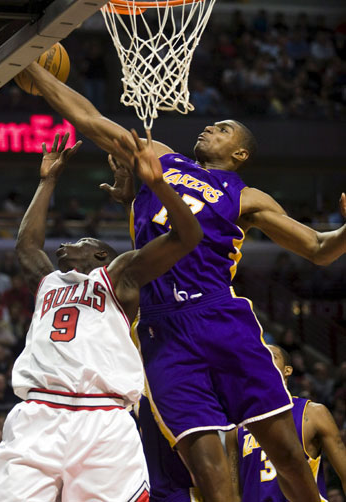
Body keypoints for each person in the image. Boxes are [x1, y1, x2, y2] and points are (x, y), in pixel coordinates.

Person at [23, 61, 346, 502]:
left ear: (240, 154)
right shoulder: (160, 158)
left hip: (218, 314)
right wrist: (34, 69)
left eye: (224, 129)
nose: (210, 127)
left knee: (287, 453)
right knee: (208, 470)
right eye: (213, 124)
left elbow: (319, 247)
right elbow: (89, 117)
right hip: (162, 328)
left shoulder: (247, 197)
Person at [0, 131, 202, 502]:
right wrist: (47, 181)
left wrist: (155, 186)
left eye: (78, 242)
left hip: (102, 416)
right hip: (38, 414)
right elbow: (26, 246)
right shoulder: (49, 281)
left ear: (101, 255)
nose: (63, 244)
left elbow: (187, 235)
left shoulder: (118, 278)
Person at [225, 344, 346, 501]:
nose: (264, 360)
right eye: (259, 356)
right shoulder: (237, 425)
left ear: (287, 370)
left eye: (272, 356)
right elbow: (234, 492)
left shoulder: (313, 413)